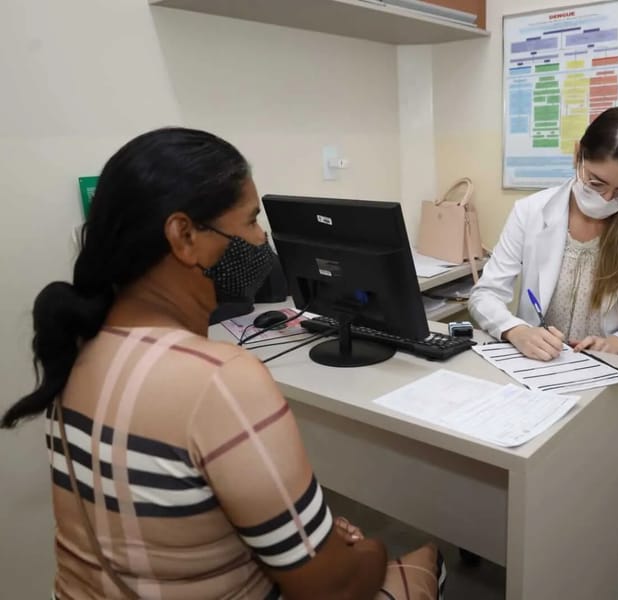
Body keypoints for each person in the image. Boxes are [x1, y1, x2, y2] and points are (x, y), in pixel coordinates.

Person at [2, 127, 445, 600]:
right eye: (252, 221)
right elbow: (333, 589)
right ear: (184, 236)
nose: (261, 240)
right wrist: (371, 549)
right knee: (423, 557)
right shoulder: (221, 381)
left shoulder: (78, 348)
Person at [469, 106, 618, 507]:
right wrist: (516, 330)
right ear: (577, 156)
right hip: (539, 371)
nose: (605, 199)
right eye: (596, 181)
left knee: (572, 469)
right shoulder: (532, 212)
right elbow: (484, 295)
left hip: (612, 384)